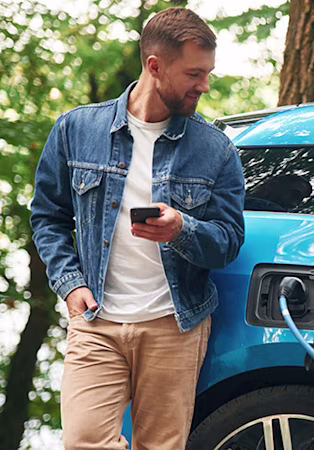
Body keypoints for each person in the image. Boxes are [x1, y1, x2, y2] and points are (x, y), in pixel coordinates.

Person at [30, 7, 245, 449]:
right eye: (194, 73)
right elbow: (48, 217)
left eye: (208, 73)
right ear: (155, 66)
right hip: (96, 321)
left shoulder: (216, 149)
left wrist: (182, 229)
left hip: (174, 325)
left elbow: (227, 243)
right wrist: (70, 285)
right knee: (83, 441)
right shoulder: (76, 130)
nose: (204, 85)